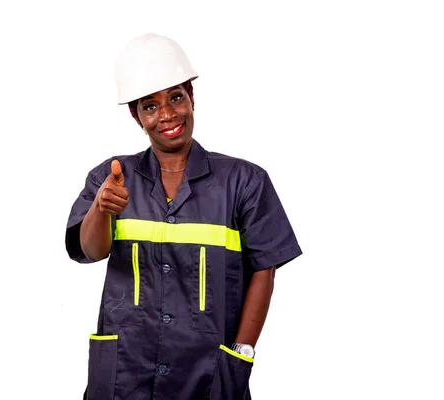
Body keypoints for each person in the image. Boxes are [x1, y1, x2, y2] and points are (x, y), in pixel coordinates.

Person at [65, 33, 302, 400]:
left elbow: (264, 269)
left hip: (207, 372)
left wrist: (241, 353)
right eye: (150, 106)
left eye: (176, 97)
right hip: (125, 372)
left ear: (191, 96)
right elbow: (89, 251)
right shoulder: (110, 178)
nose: (168, 114)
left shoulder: (244, 182)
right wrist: (101, 207)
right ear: (136, 116)